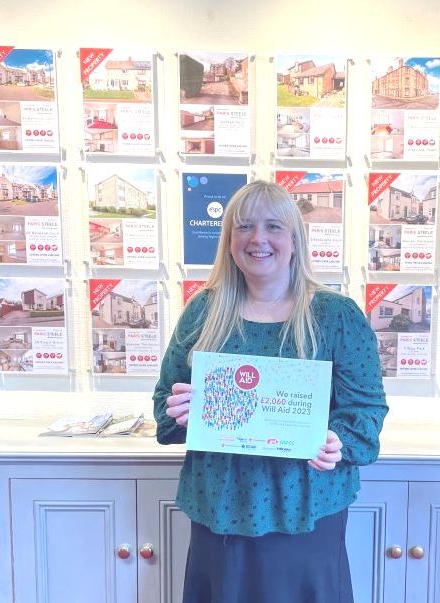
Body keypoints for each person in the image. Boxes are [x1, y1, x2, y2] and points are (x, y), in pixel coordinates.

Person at [153, 180, 388, 603]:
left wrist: (338, 441)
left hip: (305, 511)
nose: (258, 238)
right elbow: (163, 410)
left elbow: (367, 413)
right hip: (219, 509)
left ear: (295, 240)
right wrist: (180, 411)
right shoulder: (203, 312)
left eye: (273, 227)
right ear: (229, 241)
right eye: (243, 227)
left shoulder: (336, 316)